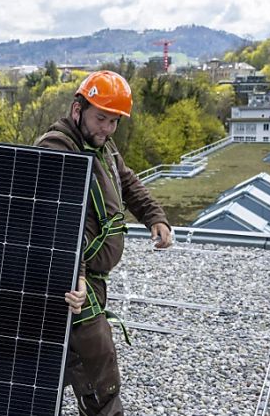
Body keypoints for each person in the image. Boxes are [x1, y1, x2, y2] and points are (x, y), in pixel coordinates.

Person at [35, 70, 173, 416]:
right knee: (99, 364)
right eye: (101, 119)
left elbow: (128, 183)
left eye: (114, 122)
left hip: (87, 282)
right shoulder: (57, 148)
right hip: (72, 284)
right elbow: (55, 221)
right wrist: (75, 274)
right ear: (77, 110)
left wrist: (155, 216)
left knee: (56, 363)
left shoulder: (103, 146)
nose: (108, 129)